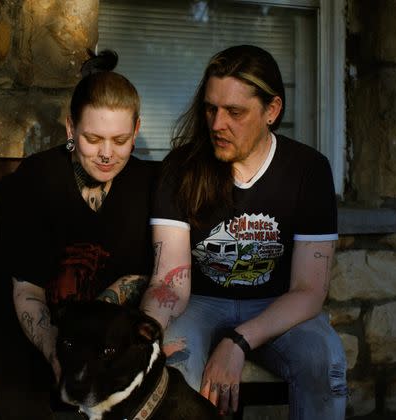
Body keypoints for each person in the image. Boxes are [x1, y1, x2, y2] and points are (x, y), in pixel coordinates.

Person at [139, 44, 348, 419]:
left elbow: (310, 291)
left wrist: (238, 342)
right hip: (198, 303)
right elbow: (170, 282)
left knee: (323, 359)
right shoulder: (180, 169)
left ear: (272, 111)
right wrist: (147, 334)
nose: (217, 124)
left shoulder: (309, 171)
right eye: (211, 108)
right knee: (173, 364)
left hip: (275, 304)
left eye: (235, 112)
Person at [0, 50, 156, 419]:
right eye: (92, 138)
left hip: (106, 342)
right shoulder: (35, 181)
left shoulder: (149, 183)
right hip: (32, 331)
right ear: (70, 129)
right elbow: (27, 290)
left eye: (119, 140)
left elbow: (156, 273)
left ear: (136, 130)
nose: (106, 154)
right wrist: (55, 352)